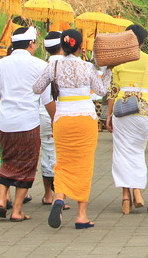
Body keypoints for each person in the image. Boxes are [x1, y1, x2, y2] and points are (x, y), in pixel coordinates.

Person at [33, 29, 112, 229]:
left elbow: (36, 88)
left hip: (63, 118)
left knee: (63, 162)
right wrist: (109, 70)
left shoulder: (54, 65)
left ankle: (59, 197)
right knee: (84, 164)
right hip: (85, 117)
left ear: (63, 46)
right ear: (80, 46)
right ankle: (81, 215)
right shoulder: (87, 67)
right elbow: (102, 90)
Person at [0, 26, 54, 222]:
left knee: (8, 160)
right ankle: (17, 210)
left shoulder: (0, 65)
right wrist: (55, 120)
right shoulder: (39, 65)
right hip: (28, 122)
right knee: (27, 164)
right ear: (31, 44)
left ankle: (1, 199)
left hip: (6, 121)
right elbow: (47, 99)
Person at [106, 24, 148, 214]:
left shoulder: (118, 62)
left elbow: (113, 91)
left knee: (122, 152)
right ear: (143, 41)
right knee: (137, 151)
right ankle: (137, 191)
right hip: (144, 110)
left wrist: (108, 115)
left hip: (122, 109)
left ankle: (125, 197)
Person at [39, 31, 63, 205]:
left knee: (47, 153)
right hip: (60, 114)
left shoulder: (43, 66)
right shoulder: (67, 65)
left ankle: (47, 194)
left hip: (41, 113)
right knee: (61, 155)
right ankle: (59, 195)